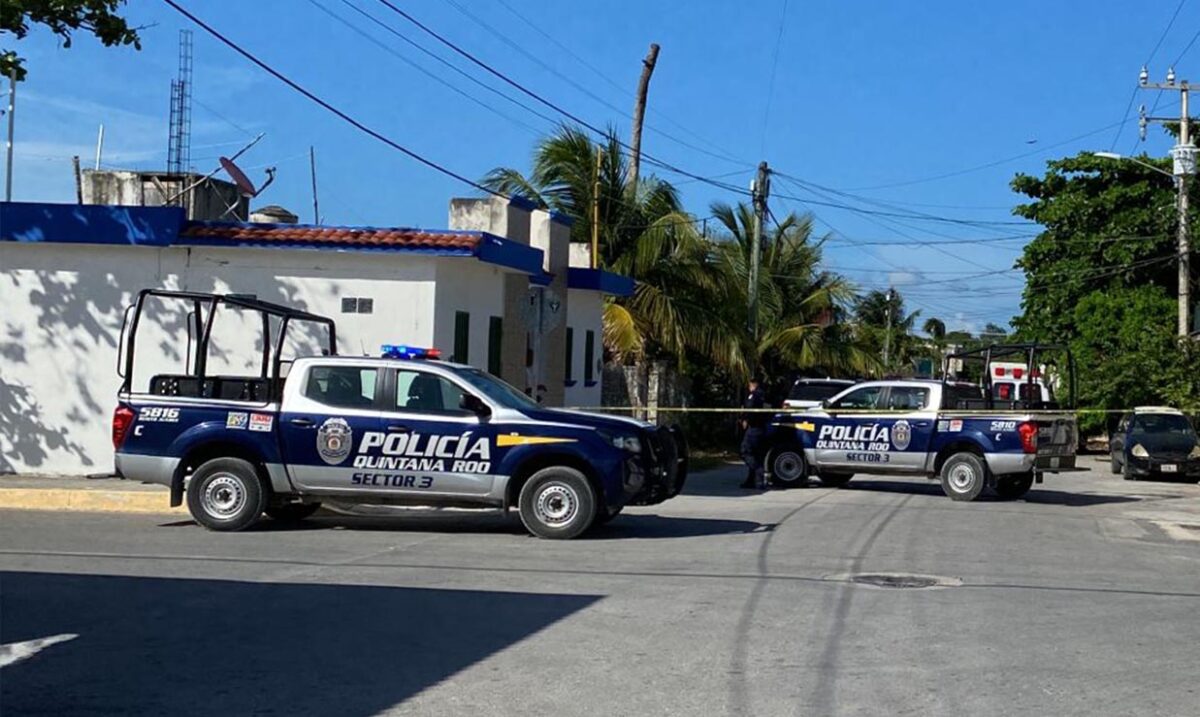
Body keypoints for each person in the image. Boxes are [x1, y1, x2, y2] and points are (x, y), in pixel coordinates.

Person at [739, 376, 769, 489]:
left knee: (745, 451)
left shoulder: (754, 395)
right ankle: (754, 481)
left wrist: (745, 419)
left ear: (753, 384)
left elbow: (750, 408)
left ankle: (758, 472)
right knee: (757, 454)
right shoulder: (765, 395)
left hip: (754, 428)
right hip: (762, 428)